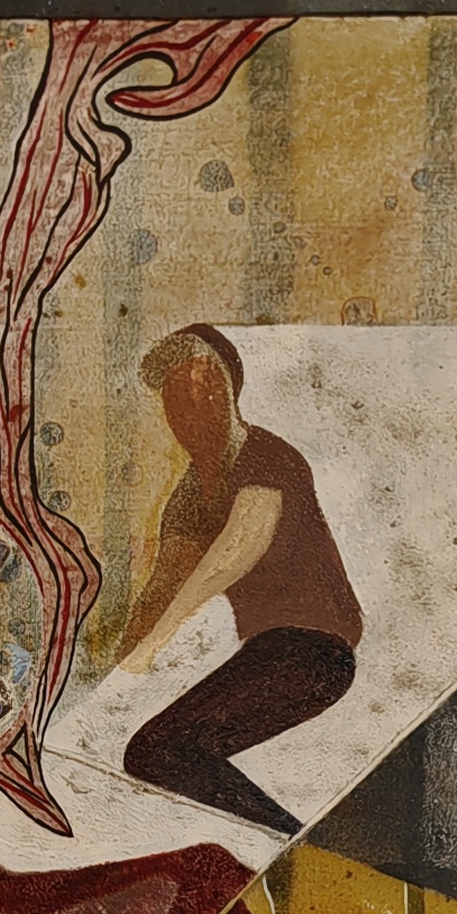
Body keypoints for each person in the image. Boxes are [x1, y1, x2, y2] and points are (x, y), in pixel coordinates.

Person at [110, 325, 361, 833]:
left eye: (201, 391)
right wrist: (113, 665)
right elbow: (165, 582)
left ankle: (289, 840)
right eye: (174, 400)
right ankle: (282, 837)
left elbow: (235, 551)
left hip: (314, 651)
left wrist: (153, 645)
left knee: (161, 750)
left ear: (229, 393)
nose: (188, 412)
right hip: (273, 650)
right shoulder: (189, 495)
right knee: (159, 753)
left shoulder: (267, 456)